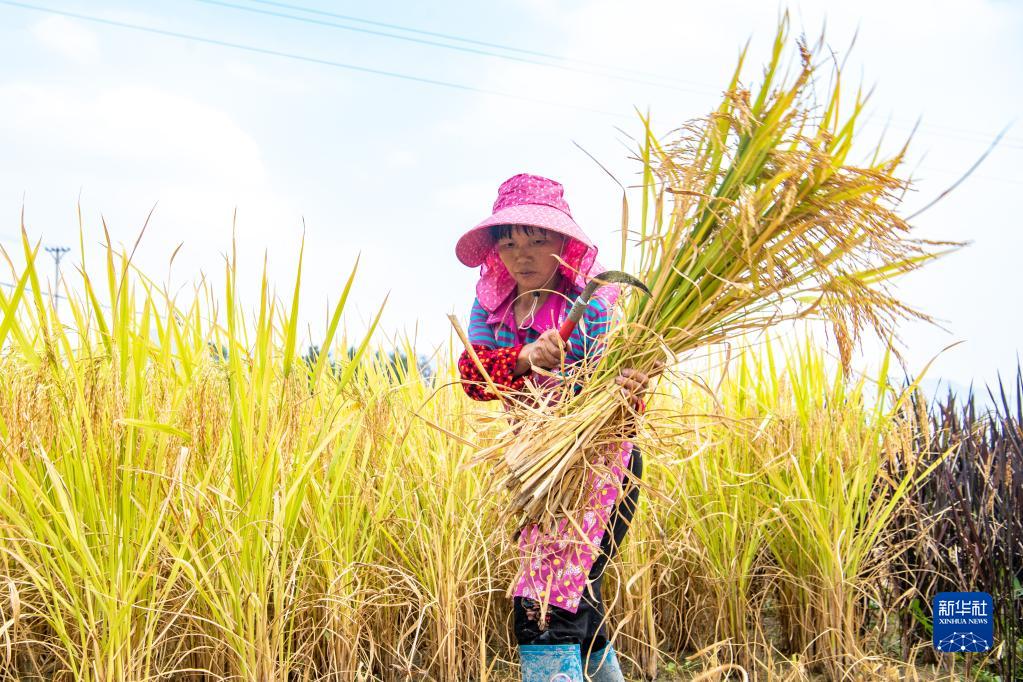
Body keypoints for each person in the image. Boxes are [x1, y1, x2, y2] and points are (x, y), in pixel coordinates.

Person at [454, 173, 654, 682]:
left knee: (545, 610)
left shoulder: (593, 303)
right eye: (509, 241)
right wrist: (524, 356)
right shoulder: (494, 306)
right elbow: (474, 376)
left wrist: (628, 387)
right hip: (537, 472)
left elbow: (616, 405)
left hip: (598, 468)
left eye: (537, 240)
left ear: (564, 243)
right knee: (574, 600)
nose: (522, 255)